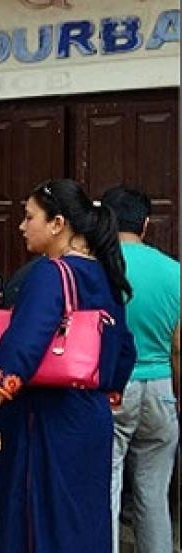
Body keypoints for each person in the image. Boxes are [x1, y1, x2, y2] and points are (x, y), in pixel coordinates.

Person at [0, 178, 136, 551]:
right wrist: (103, 395)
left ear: (58, 224)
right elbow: (124, 349)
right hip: (90, 417)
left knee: (37, 527)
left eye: (30, 217)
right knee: (82, 527)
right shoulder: (105, 274)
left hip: (47, 420)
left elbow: (23, 346)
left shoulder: (49, 273)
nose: (22, 226)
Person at [100, 186, 179, 553]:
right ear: (145, 224)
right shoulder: (174, 272)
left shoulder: (98, 268)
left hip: (113, 388)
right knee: (154, 495)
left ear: (105, 220)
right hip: (161, 388)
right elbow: (178, 346)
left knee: (107, 487)